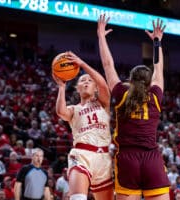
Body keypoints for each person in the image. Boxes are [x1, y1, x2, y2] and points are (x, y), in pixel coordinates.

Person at [97, 14, 170, 199]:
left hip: (127, 159)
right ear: (149, 83)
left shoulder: (122, 93)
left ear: (130, 79)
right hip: (151, 158)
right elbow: (158, 68)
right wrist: (156, 42)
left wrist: (101, 37)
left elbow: (107, 65)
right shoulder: (155, 96)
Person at [53, 51, 113, 200]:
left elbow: (103, 83)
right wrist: (61, 87)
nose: (86, 82)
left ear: (95, 88)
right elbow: (61, 112)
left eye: (89, 80)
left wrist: (82, 64)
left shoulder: (103, 103)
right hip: (81, 154)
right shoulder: (74, 109)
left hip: (103, 159)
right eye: (82, 80)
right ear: (77, 88)